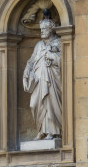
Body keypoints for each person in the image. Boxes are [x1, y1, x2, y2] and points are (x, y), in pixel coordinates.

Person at [23, 10, 62, 140]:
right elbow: (31, 61)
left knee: (50, 104)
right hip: (39, 80)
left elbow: (63, 61)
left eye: (45, 29)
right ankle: (41, 130)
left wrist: (52, 56)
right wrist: (27, 72)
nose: (42, 31)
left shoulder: (58, 43)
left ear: (51, 29)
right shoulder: (39, 45)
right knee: (34, 104)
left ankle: (53, 131)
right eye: (41, 29)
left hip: (52, 80)